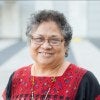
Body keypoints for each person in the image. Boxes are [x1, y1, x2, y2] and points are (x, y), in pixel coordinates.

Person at [2, 10, 100, 100]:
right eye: (39, 39)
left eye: (54, 40)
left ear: (65, 45)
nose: (45, 46)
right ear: (30, 42)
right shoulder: (17, 77)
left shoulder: (85, 80)